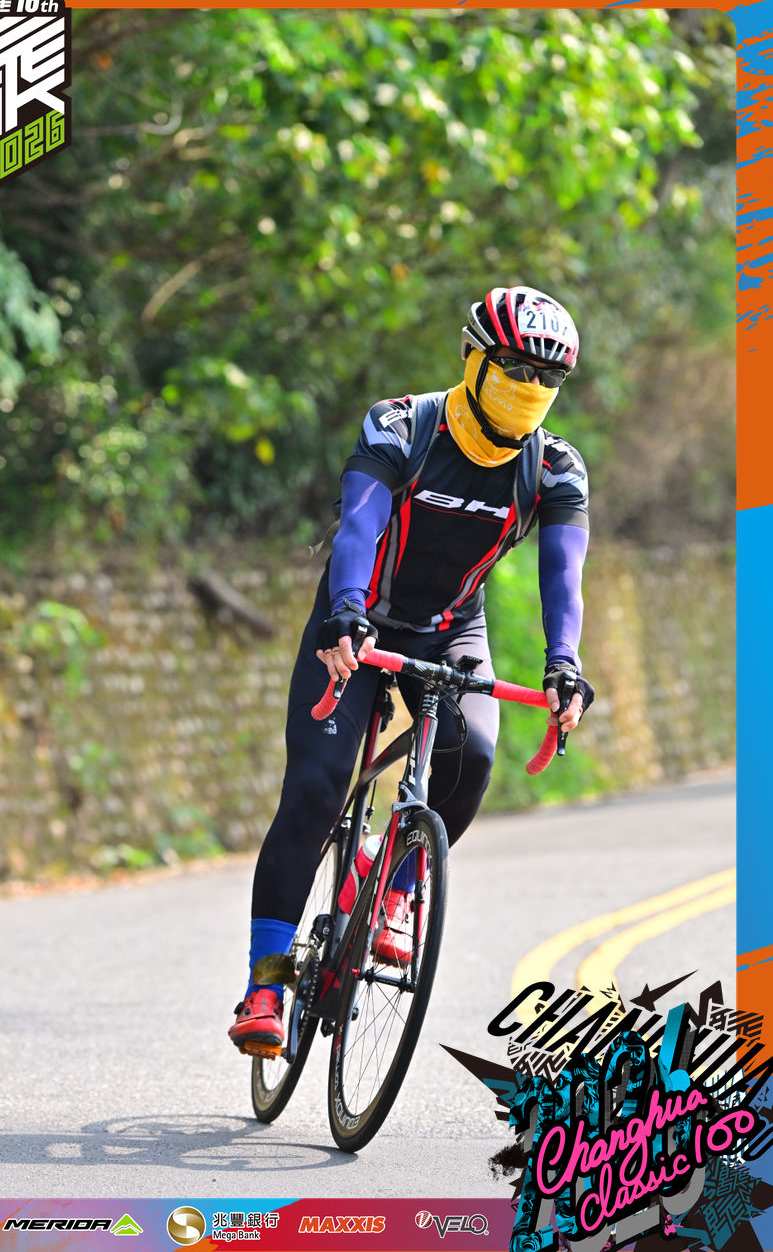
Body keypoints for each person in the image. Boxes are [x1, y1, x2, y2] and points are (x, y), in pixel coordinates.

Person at [229, 285, 595, 1056]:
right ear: (473, 358)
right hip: (357, 617)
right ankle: (266, 983)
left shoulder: (555, 467)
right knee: (315, 788)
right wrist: (345, 612)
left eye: (547, 376)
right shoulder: (403, 425)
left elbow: (564, 576)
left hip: (450, 628)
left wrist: (562, 664)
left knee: (476, 756)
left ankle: (394, 889)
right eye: (515, 367)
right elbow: (358, 527)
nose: (530, 386)